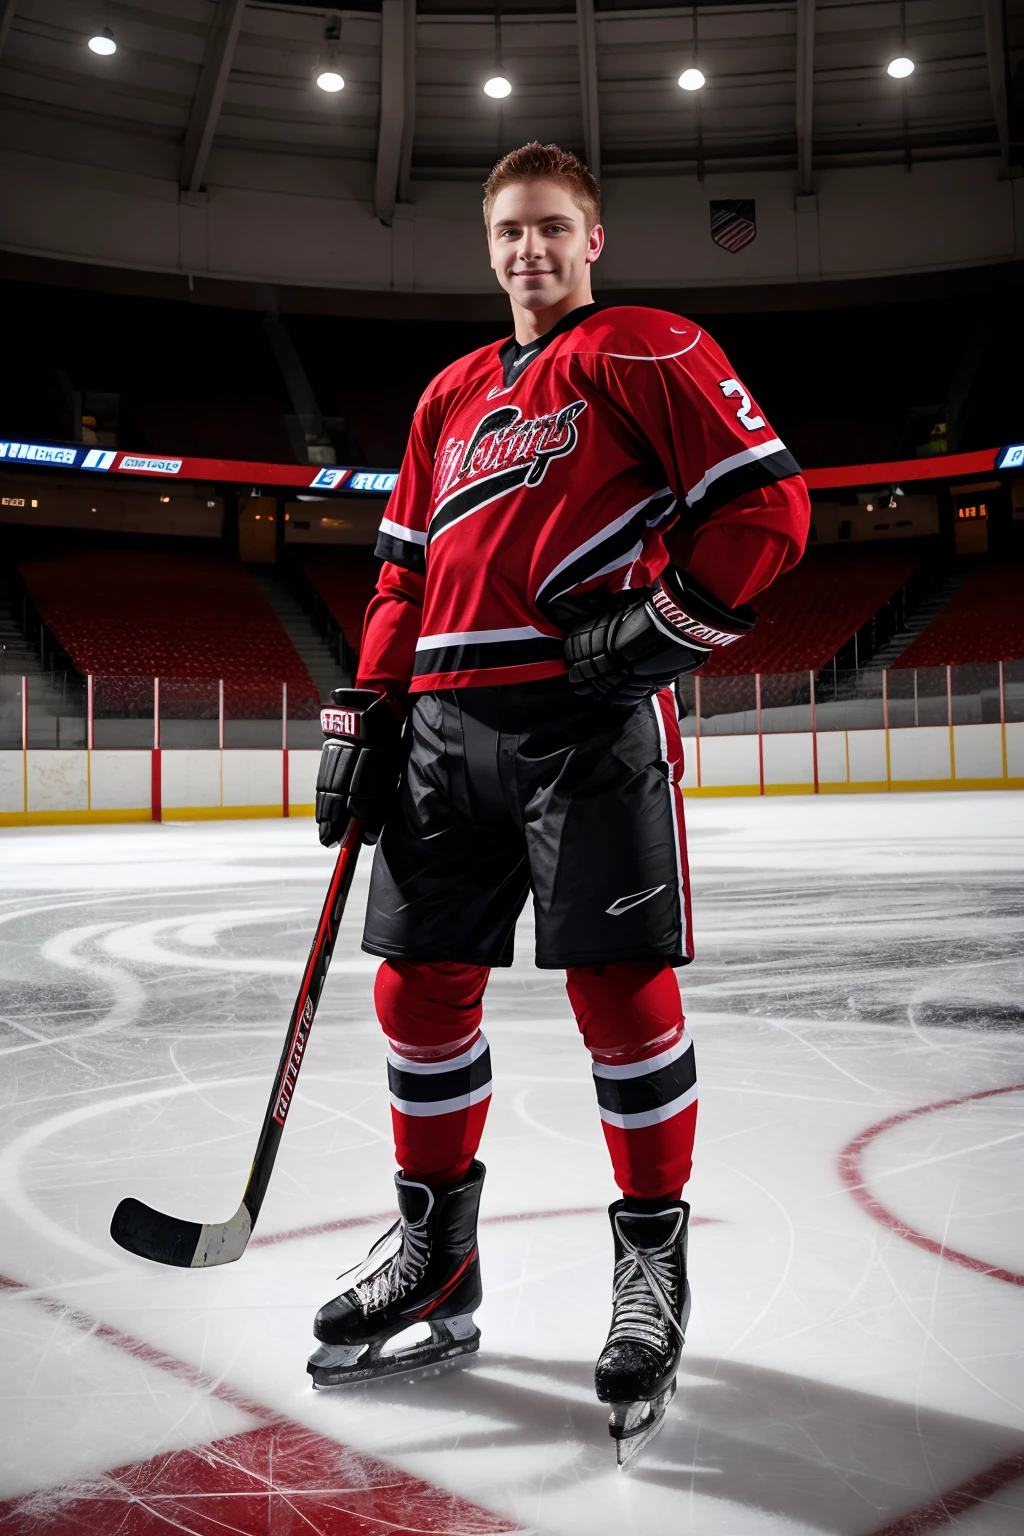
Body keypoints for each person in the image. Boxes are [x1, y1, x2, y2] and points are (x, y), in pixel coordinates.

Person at [306, 141, 809, 1464]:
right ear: (489, 247)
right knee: (415, 990)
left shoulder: (646, 348)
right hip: (443, 729)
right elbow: (405, 571)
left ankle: (651, 1271)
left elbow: (768, 511)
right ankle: (434, 1260)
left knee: (622, 998)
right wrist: (362, 707)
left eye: (550, 229)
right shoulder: (449, 395)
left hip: (585, 727)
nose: (528, 251)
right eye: (508, 233)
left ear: (593, 238)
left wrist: (659, 632)